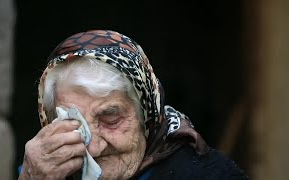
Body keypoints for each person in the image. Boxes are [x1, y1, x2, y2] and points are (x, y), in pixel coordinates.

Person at [18, 30, 249, 179]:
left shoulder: (208, 175)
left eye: (111, 119)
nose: (93, 148)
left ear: (146, 116)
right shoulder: (42, 170)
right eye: (74, 124)